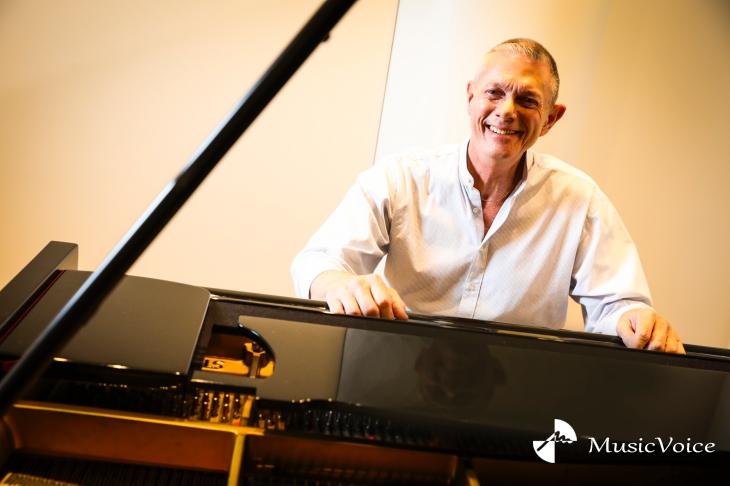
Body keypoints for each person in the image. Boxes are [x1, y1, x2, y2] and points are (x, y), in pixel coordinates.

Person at [291, 38, 684, 354]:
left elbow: (617, 307)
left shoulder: (581, 200)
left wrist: (636, 320)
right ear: (470, 97)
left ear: (550, 118)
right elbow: (317, 262)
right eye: (494, 92)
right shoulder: (401, 177)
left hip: (518, 397)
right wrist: (339, 285)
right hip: (393, 375)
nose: (507, 111)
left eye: (527, 100)